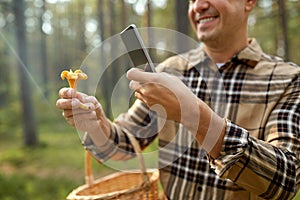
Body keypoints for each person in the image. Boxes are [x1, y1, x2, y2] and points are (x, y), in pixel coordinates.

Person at [56, 0, 300, 199]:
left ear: (248, 2)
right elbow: (124, 144)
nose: (198, 6)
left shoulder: (288, 80)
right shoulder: (171, 70)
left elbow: (285, 181)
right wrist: (96, 123)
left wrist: (192, 113)